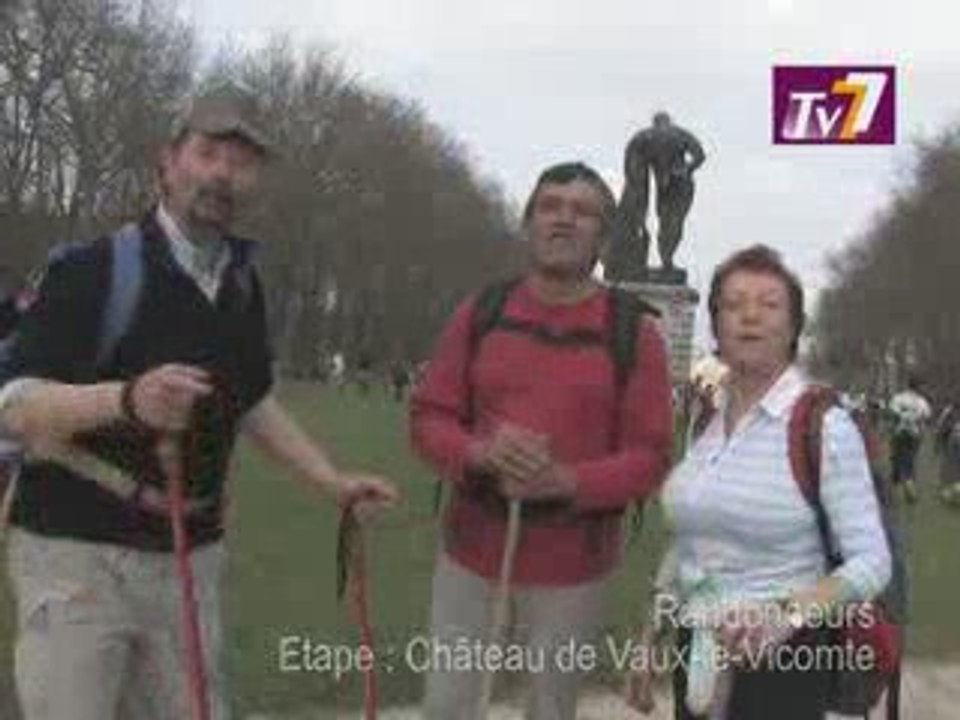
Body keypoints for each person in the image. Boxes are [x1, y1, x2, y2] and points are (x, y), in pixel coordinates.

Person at [0, 85, 398, 720]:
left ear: (256, 181)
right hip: (75, 554)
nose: (222, 173)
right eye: (208, 153)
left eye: (240, 163)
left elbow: (252, 399)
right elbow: (15, 405)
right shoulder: (93, 269)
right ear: (168, 161)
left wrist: (331, 482)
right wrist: (126, 400)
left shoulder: (242, 285)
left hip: (191, 554)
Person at [411, 161, 673, 720]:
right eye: (550, 207)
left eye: (583, 213)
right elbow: (429, 419)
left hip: (572, 569)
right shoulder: (482, 311)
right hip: (472, 556)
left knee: (549, 712)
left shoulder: (636, 334)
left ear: (603, 239)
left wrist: (567, 481)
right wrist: (480, 454)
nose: (564, 220)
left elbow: (650, 458)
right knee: (448, 708)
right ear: (529, 224)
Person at [630, 245, 891, 719]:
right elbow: (691, 546)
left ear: (792, 328)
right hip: (699, 654)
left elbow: (872, 562)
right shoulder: (704, 421)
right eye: (733, 304)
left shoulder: (823, 425)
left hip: (785, 660)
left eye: (769, 304)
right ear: (716, 327)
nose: (749, 316)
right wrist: (653, 635)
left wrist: (782, 617)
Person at [612, 111, 706, 279]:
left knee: (664, 219)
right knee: (674, 221)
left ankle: (659, 260)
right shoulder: (681, 134)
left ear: (654, 122)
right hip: (680, 181)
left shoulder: (644, 136)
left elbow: (631, 166)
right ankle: (667, 260)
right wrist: (686, 169)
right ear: (668, 121)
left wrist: (637, 186)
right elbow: (699, 155)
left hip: (665, 182)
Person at [888, 376, 932, 504]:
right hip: (914, 435)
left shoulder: (898, 397)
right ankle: (908, 482)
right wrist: (917, 420)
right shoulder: (922, 401)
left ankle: (907, 483)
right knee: (909, 460)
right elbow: (927, 415)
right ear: (917, 386)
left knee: (898, 458)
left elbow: (892, 412)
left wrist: (902, 417)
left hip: (899, 433)